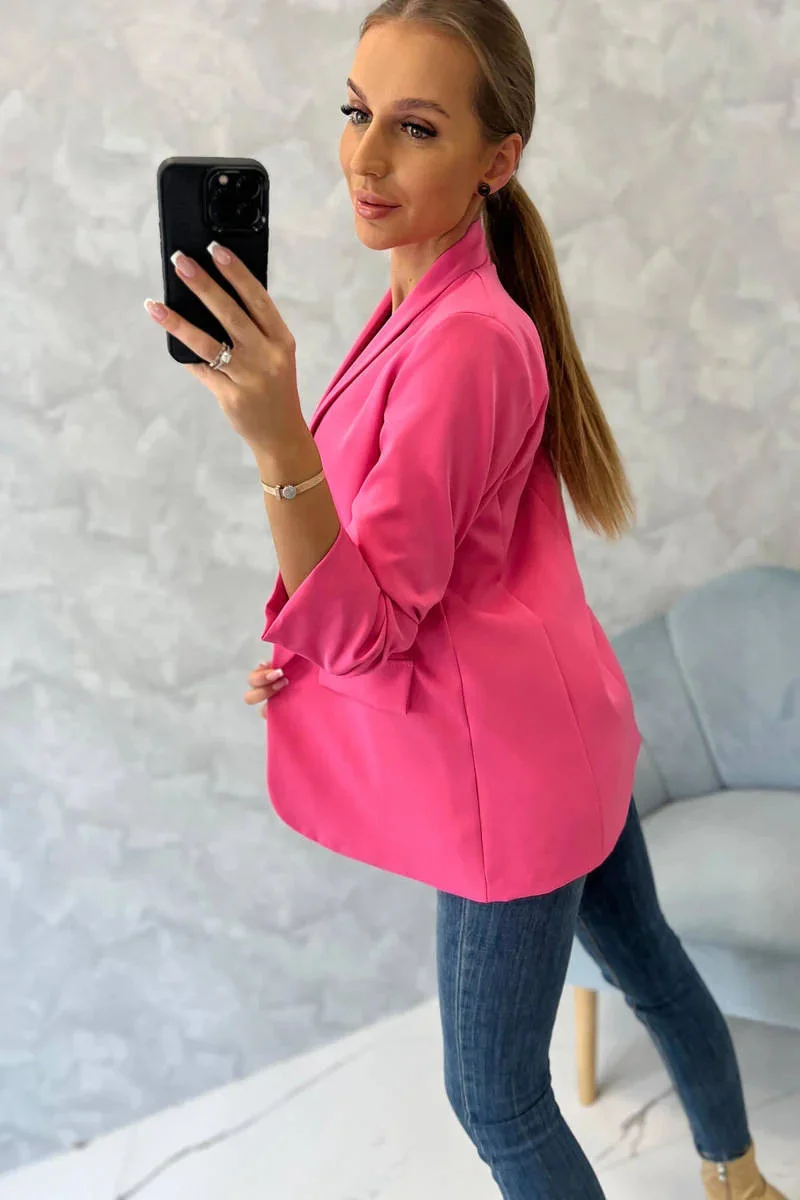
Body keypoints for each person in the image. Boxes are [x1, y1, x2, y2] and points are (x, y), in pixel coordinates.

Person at [242, 3, 790, 1197]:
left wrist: (277, 437)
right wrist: (304, 650)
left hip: (509, 784)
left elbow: (378, 615)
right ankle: (740, 1180)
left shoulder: (465, 343)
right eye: (355, 111)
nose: (364, 155)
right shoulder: (436, 311)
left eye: (414, 127)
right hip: (565, 732)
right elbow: (421, 574)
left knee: (494, 1098)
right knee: (649, 965)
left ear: (498, 158)